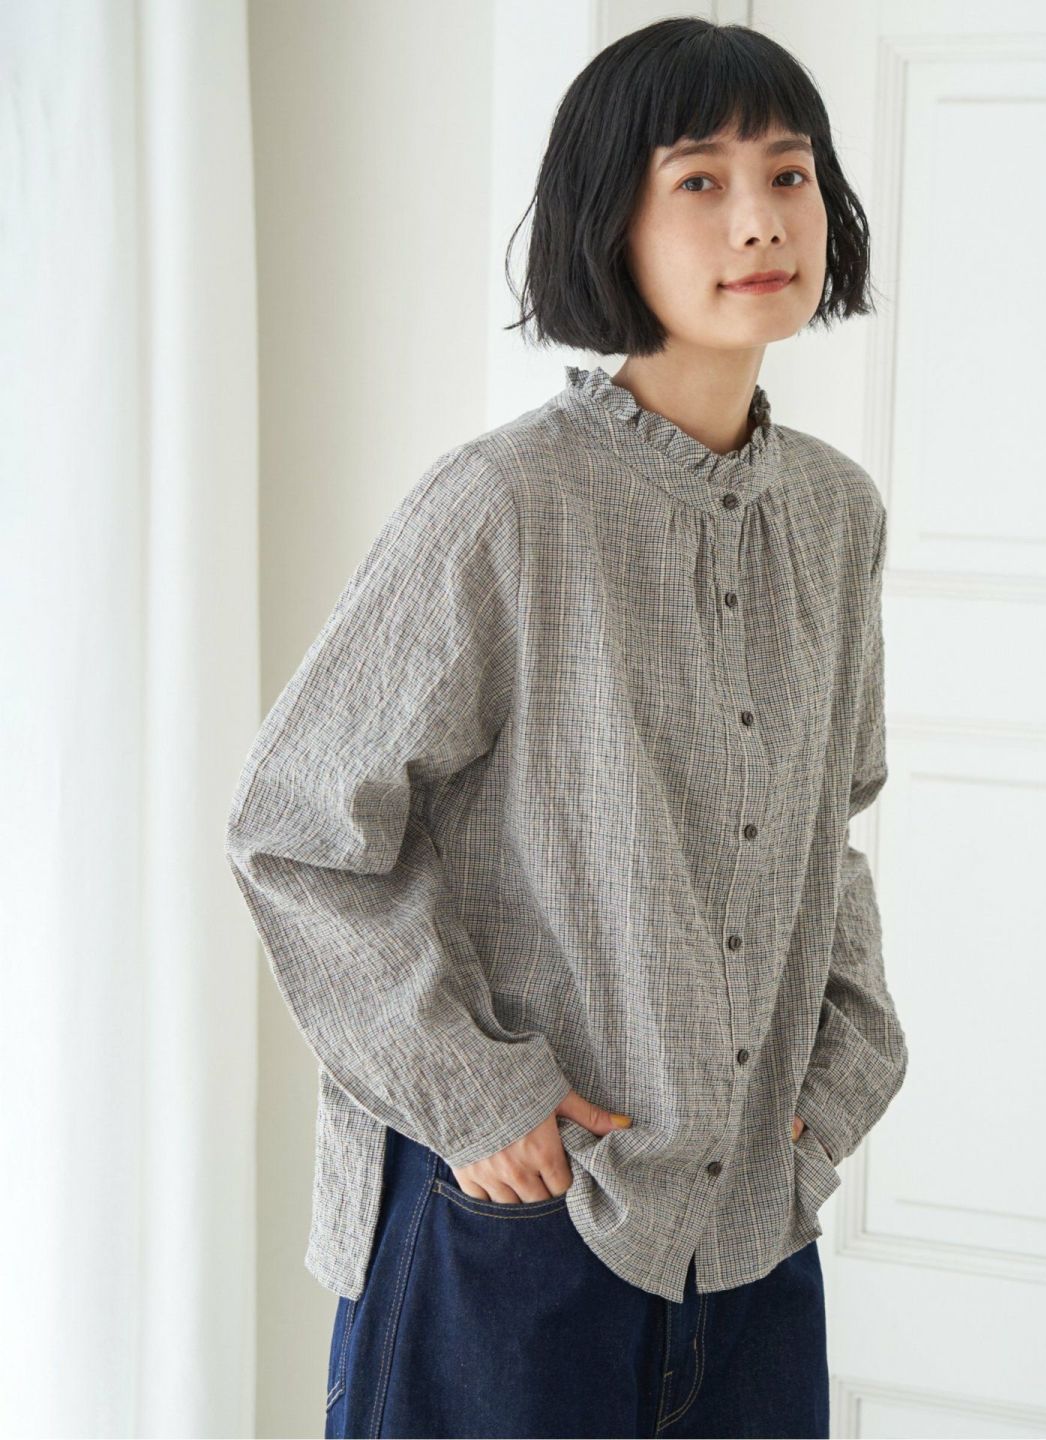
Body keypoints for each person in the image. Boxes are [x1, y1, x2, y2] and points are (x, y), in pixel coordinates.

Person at [225, 16, 908, 1439]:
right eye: (701, 181)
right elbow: (297, 832)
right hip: (509, 1236)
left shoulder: (837, 515)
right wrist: (477, 1097)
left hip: (753, 1241)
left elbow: (826, 833)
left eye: (788, 175)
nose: (761, 219)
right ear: (611, 221)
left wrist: (837, 1084)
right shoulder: (504, 505)